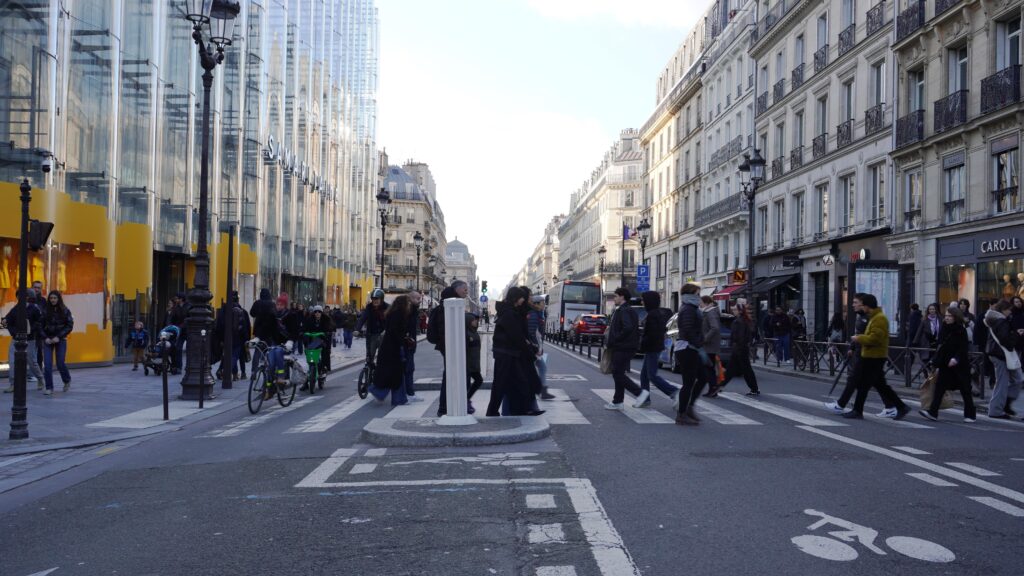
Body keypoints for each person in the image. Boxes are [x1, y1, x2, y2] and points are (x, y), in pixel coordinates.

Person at [823, 299, 897, 416]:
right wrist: (852, 347)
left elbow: (870, 337)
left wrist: (856, 343)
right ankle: (891, 406)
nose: (853, 305)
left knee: (856, 380)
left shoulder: (872, 318)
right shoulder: (862, 317)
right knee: (873, 383)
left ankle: (843, 405)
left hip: (868, 354)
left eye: (856, 302)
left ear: (864, 305)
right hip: (864, 352)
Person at [844, 293, 909, 420]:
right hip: (872, 356)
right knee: (879, 385)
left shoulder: (879, 319)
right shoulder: (874, 317)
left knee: (866, 385)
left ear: (868, 306)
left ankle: (858, 410)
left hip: (875, 357)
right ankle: (901, 407)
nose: (862, 308)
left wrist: (858, 338)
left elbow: (875, 338)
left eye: (863, 305)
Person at [487, 286, 543, 417]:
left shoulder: (510, 311)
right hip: (506, 352)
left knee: (512, 382)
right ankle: (493, 411)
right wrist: (530, 350)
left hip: (508, 352)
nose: (523, 300)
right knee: (502, 383)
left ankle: (520, 409)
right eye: (522, 297)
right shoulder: (509, 314)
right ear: (516, 298)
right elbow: (516, 336)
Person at [919, 306, 976, 422]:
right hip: (945, 364)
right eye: (946, 316)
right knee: (939, 388)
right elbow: (941, 346)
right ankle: (933, 412)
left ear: (955, 317)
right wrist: (936, 362)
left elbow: (963, 348)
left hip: (960, 365)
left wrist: (956, 359)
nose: (947, 318)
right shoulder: (944, 328)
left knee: (965, 390)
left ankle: (970, 415)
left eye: (950, 316)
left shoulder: (961, 330)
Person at [432, 280, 470, 417]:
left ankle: (453, 406)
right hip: (451, 347)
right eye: (465, 289)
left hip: (451, 346)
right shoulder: (449, 306)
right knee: (451, 376)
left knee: (451, 375)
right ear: (457, 289)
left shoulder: (446, 304)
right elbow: (445, 329)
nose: (466, 292)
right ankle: (445, 407)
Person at [635, 290, 678, 406]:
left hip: (652, 348)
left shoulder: (652, 315)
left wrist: (643, 343)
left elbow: (652, 334)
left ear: (649, 301)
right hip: (654, 347)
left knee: (652, 376)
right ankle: (645, 399)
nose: (642, 302)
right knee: (644, 375)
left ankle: (674, 391)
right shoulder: (656, 313)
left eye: (643, 300)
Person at [602, 287, 643, 411]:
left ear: (622, 297)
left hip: (623, 346)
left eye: (615, 296)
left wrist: (615, 339)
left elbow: (627, 328)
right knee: (618, 373)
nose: (614, 298)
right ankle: (618, 401)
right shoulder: (626, 310)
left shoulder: (624, 310)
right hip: (625, 346)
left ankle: (639, 393)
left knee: (617, 373)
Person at [368, 295, 411, 406]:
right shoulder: (399, 314)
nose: (409, 305)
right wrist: (403, 340)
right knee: (397, 374)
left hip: (388, 347)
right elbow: (395, 331)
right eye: (408, 303)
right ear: (403, 304)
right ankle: (395, 397)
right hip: (394, 347)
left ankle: (389, 395)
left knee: (394, 374)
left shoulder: (392, 313)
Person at [983, 300, 1021, 420]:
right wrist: (1017, 334)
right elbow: (1005, 340)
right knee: (1002, 383)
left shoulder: (995, 320)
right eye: (1009, 309)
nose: (1010, 312)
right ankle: (996, 410)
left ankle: (1003, 404)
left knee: (1016, 379)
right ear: (1003, 310)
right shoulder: (1001, 321)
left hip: (996, 353)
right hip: (1000, 354)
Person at [673, 284, 705, 425]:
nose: (699, 296)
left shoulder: (691, 308)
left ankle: (689, 407)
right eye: (697, 294)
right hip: (687, 348)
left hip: (691, 347)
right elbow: (688, 329)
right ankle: (682, 413)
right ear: (691, 294)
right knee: (688, 383)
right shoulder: (688, 309)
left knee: (703, 377)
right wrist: (698, 343)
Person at [711, 302, 758, 396]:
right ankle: (719, 386)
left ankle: (719, 386)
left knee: (742, 370)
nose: (733, 311)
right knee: (733, 370)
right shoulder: (743, 320)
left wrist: (737, 347)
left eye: (735, 309)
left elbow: (740, 337)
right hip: (740, 349)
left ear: (740, 311)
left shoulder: (739, 321)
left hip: (739, 349)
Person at [3, 289, 45, 393]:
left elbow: (40, 321)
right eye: (18, 296)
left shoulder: (34, 308)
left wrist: (31, 329)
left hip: (30, 340)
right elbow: (8, 321)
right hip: (16, 339)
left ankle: (40, 378)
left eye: (22, 295)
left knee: (32, 362)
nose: (20, 298)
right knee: (12, 361)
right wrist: (13, 332)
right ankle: (13, 384)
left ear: (27, 297)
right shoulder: (15, 309)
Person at [40, 290, 74, 395]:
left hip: (60, 340)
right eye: (51, 298)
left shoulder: (65, 310)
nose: (53, 300)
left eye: (55, 298)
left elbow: (69, 325)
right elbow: (39, 326)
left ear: (58, 299)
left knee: (60, 363)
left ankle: (67, 380)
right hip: (47, 340)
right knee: (47, 365)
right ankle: (49, 387)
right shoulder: (45, 310)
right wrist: (45, 338)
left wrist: (59, 337)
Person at [526, 295, 555, 400]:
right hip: (532, 348)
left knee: (540, 367)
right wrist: (536, 347)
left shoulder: (538, 314)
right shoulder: (534, 315)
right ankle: (539, 390)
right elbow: (532, 333)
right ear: (536, 304)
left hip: (534, 347)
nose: (544, 305)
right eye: (542, 303)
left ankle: (542, 390)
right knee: (537, 368)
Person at [301, 305, 333, 390]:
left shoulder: (326, 320)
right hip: (312, 341)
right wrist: (303, 332)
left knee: (324, 354)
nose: (317, 313)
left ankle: (323, 369)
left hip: (322, 341)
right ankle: (306, 382)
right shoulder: (309, 320)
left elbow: (330, 328)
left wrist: (327, 333)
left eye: (319, 312)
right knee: (310, 360)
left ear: (321, 313)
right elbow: (304, 328)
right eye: (315, 312)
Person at [356, 289, 389, 367]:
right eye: (373, 299)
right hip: (371, 334)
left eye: (377, 299)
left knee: (382, 356)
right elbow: (363, 318)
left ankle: (380, 368)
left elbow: (391, 320)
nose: (375, 301)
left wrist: (386, 330)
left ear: (381, 299)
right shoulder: (369, 307)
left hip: (383, 334)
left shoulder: (387, 307)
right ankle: (369, 367)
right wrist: (357, 329)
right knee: (369, 355)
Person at [699, 296, 722, 398]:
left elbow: (715, 327)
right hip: (710, 345)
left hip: (710, 345)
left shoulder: (710, 313)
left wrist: (705, 338)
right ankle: (713, 388)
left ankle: (713, 387)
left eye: (701, 302)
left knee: (708, 368)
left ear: (706, 303)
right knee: (709, 367)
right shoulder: (708, 312)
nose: (700, 304)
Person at [403, 291, 424, 402]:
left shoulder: (413, 310)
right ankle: (409, 393)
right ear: (410, 299)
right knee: (409, 369)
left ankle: (408, 393)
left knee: (409, 369)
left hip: (410, 344)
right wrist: (408, 338)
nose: (420, 301)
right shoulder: (408, 311)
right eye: (417, 298)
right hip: (407, 344)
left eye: (420, 298)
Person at [466, 312, 484, 414]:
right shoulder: (467, 334)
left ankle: (466, 400)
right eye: (474, 320)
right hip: (469, 364)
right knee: (478, 380)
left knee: (478, 380)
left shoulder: (474, 332)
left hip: (474, 363)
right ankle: (466, 401)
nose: (476, 322)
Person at [167, 292, 187, 374]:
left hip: (188, 331)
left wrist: (181, 326)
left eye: (177, 298)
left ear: (181, 299)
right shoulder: (176, 308)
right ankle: (179, 367)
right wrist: (170, 326)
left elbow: (188, 319)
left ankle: (189, 367)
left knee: (190, 350)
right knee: (178, 348)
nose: (175, 299)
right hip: (179, 331)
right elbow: (171, 318)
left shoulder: (189, 306)